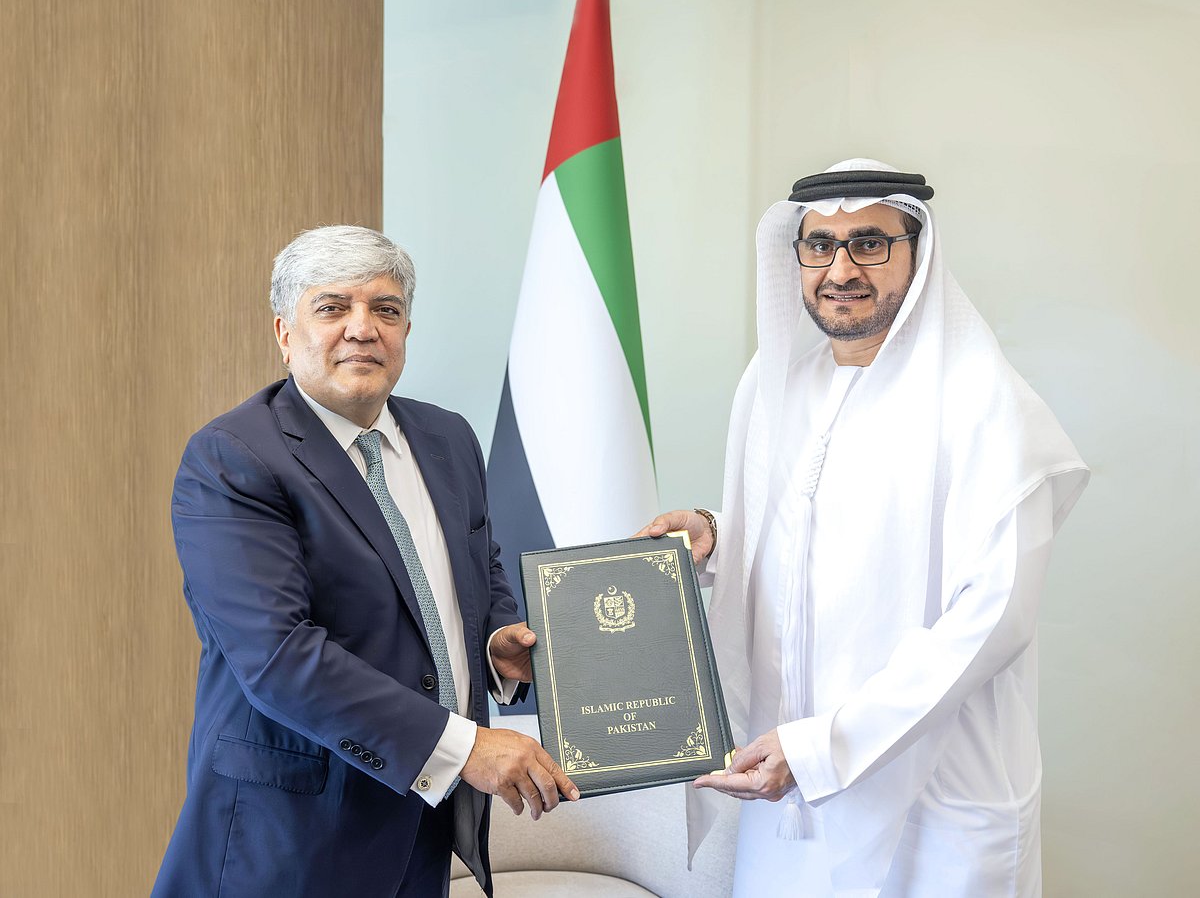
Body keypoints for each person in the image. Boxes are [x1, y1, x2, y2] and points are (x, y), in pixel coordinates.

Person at [639, 159, 1088, 897]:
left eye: (870, 243)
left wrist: (823, 748)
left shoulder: (981, 400)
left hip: (937, 799)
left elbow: (994, 615)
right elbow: (814, 528)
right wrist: (720, 535)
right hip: (786, 790)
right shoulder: (775, 381)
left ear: (918, 252)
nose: (840, 268)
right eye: (819, 245)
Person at [153, 225, 578, 897]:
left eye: (386, 309)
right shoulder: (232, 458)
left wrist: (496, 638)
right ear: (285, 332)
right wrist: (464, 747)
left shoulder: (447, 437)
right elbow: (278, 658)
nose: (363, 328)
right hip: (292, 831)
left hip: (425, 823)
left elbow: (476, 569)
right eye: (332, 307)